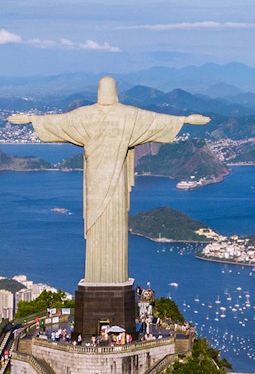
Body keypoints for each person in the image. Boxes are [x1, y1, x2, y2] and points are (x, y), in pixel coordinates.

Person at [8, 76, 210, 284]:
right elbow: (155, 120)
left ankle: (103, 276)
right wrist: (184, 120)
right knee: (110, 223)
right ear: (115, 91)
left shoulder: (87, 115)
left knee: (104, 222)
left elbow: (58, 121)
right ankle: (106, 277)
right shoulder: (126, 115)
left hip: (97, 181)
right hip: (112, 182)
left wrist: (32, 119)